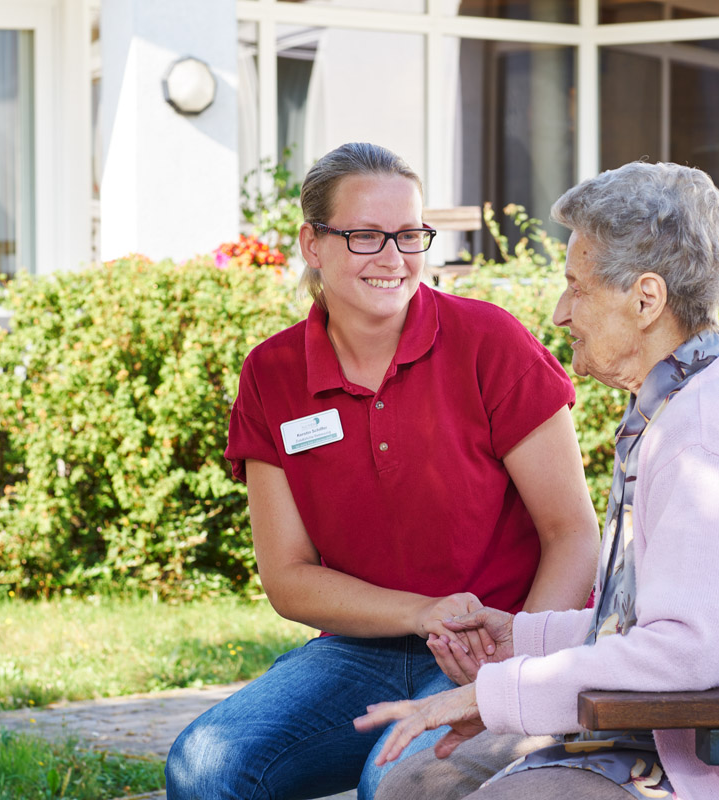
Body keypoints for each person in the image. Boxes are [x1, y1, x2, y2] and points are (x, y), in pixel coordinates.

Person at [354, 161, 719, 800]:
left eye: (577, 287)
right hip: (681, 733)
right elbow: (650, 624)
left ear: (646, 299)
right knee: (411, 783)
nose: (562, 312)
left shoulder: (711, 429)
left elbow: (682, 654)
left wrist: (498, 694)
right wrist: (519, 636)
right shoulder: (678, 402)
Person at [164, 142, 600, 800]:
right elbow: (288, 578)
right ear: (313, 244)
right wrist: (422, 612)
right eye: (366, 236)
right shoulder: (273, 374)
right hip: (359, 651)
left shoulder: (490, 343)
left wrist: (516, 669)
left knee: (399, 782)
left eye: (408, 235)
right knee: (205, 766)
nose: (393, 259)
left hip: (497, 641)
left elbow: (573, 533)